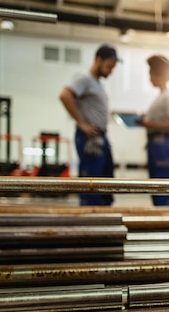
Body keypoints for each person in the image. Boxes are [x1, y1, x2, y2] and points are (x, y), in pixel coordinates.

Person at [59, 44, 119, 206]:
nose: (111, 71)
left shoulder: (98, 83)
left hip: (101, 137)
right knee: (92, 184)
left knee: (106, 184)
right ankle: (90, 222)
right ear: (98, 60)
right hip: (90, 139)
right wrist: (82, 123)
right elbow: (65, 95)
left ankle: (105, 223)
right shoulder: (84, 78)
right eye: (108, 66)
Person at [136, 55, 169, 206]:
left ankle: (166, 217)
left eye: (151, 73)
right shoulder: (160, 97)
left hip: (162, 144)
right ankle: (160, 216)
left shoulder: (168, 97)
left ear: (159, 74)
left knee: (163, 185)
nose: (149, 78)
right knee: (157, 185)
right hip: (156, 145)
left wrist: (151, 124)